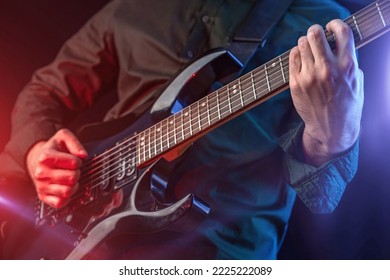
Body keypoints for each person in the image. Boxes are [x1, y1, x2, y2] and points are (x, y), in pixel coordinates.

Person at [0, 0, 363, 259]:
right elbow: (46, 90)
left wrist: (333, 134)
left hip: (217, 253)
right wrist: (36, 153)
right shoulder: (133, 6)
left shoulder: (325, 25)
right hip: (87, 229)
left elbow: (323, 197)